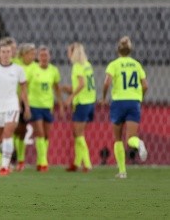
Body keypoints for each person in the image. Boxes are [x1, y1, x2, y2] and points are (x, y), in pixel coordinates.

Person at [101, 36, 148, 179]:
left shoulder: (114, 65)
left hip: (118, 102)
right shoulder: (136, 65)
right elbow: (145, 85)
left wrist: (103, 98)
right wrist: (140, 98)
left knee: (118, 138)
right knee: (131, 138)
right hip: (134, 102)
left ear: (118, 50)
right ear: (130, 50)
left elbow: (107, 83)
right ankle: (138, 143)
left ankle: (122, 171)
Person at [0, 43, 30, 176]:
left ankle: (4, 166)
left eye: (8, 52)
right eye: (3, 51)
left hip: (12, 106)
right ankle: (9, 154)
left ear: (12, 54)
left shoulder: (18, 70)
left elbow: (24, 91)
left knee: (8, 134)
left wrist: (26, 107)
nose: (5, 54)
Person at [27, 45, 63, 172]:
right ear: (38, 57)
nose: (43, 58)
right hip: (35, 105)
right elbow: (24, 87)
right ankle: (43, 161)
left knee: (47, 135)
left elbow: (57, 88)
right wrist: (25, 105)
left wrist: (61, 104)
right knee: (40, 133)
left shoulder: (54, 71)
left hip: (48, 106)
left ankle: (40, 160)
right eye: (41, 55)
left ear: (49, 57)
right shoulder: (32, 70)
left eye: (45, 55)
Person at [62, 42, 96, 172]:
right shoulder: (88, 65)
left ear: (73, 53)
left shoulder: (77, 66)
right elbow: (84, 85)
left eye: (69, 51)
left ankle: (87, 163)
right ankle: (76, 162)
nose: (67, 54)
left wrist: (70, 97)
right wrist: (67, 89)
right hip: (90, 102)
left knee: (78, 133)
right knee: (76, 133)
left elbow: (81, 84)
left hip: (82, 103)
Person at [13, 43, 36, 171]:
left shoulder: (34, 68)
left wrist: (26, 105)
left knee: (22, 132)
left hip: (25, 102)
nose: (33, 56)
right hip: (10, 101)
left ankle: (20, 160)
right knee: (9, 130)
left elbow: (25, 89)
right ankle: (2, 157)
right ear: (24, 54)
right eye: (31, 53)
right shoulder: (15, 63)